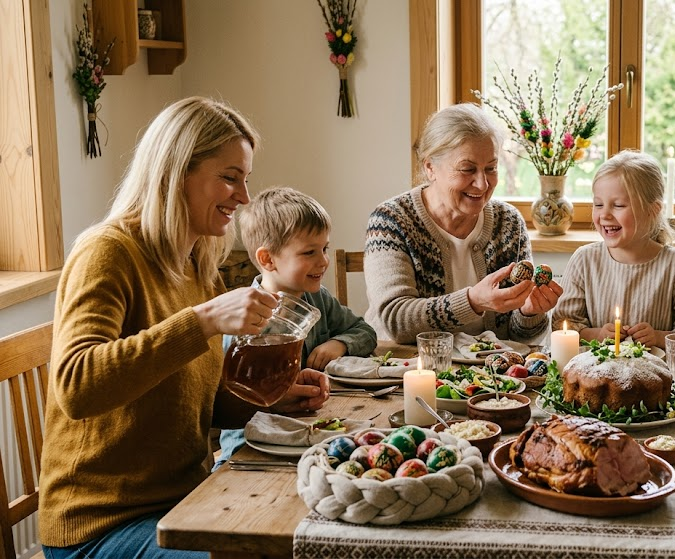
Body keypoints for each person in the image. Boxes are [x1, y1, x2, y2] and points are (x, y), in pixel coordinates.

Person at [38, 97, 330, 558]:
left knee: (316, 531)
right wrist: (204, 320)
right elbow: (77, 387)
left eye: (246, 179)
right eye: (230, 178)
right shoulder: (107, 253)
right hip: (101, 523)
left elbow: (199, 407)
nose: (244, 197)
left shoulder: (198, 268)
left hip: (187, 502)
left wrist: (272, 395)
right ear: (176, 173)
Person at [364, 103, 562, 344]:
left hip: (489, 376)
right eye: (467, 169)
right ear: (430, 167)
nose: (482, 184)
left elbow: (518, 338)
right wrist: (472, 301)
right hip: (408, 369)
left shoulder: (508, 223)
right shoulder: (392, 221)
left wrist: (529, 312)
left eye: (491, 168)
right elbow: (396, 321)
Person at [215, 186, 377, 468]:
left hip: (308, 437)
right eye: (309, 252)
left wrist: (339, 343)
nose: (323, 260)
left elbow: (365, 332)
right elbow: (232, 401)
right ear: (267, 259)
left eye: (324, 248)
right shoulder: (244, 318)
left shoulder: (318, 298)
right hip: (250, 452)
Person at [553, 150, 675, 349]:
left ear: (652, 210)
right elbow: (562, 326)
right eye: (598, 204)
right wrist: (598, 334)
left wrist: (658, 337)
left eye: (618, 205)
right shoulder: (584, 260)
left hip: (658, 377)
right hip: (597, 375)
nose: (604, 214)